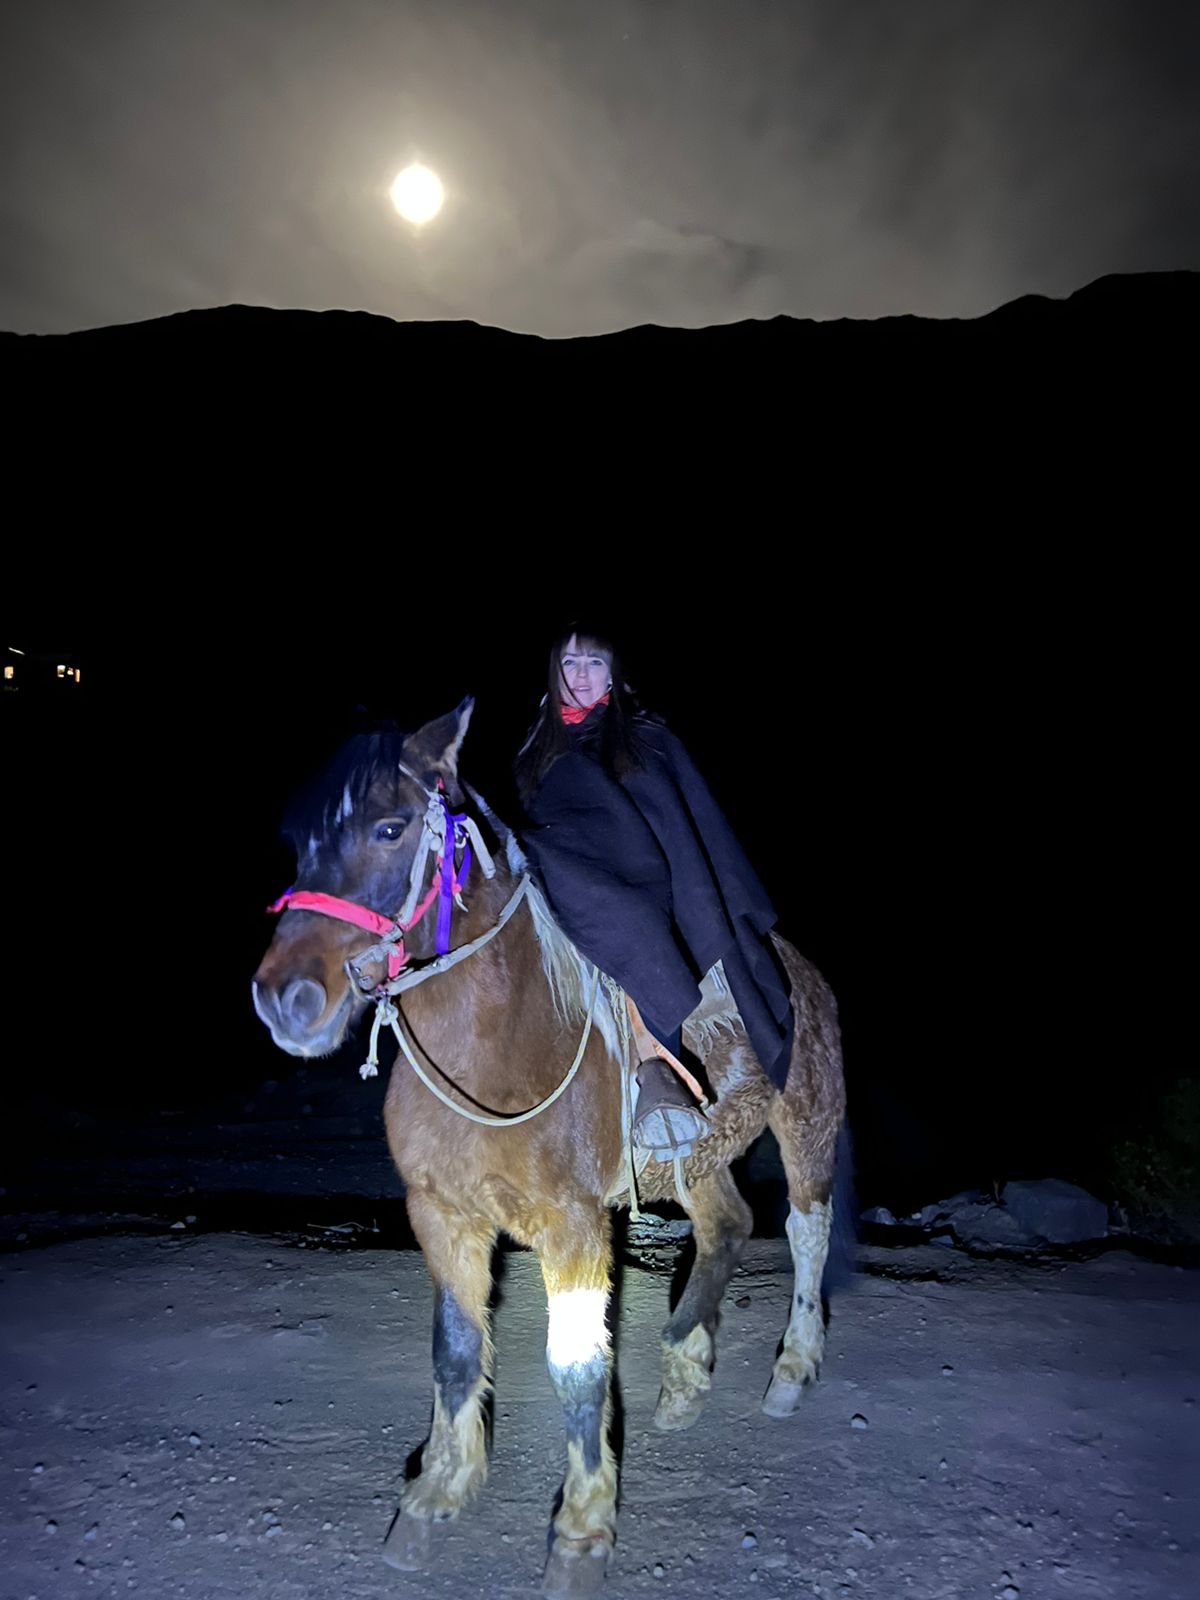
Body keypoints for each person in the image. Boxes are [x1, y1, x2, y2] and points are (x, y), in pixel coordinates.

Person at [514, 625, 795, 1157]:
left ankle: (654, 1065)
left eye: (594, 663)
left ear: (613, 675)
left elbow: (674, 830)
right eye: (569, 663)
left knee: (626, 918)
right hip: (556, 876)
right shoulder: (533, 750)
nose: (580, 675)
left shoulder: (647, 740)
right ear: (553, 671)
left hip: (643, 881)